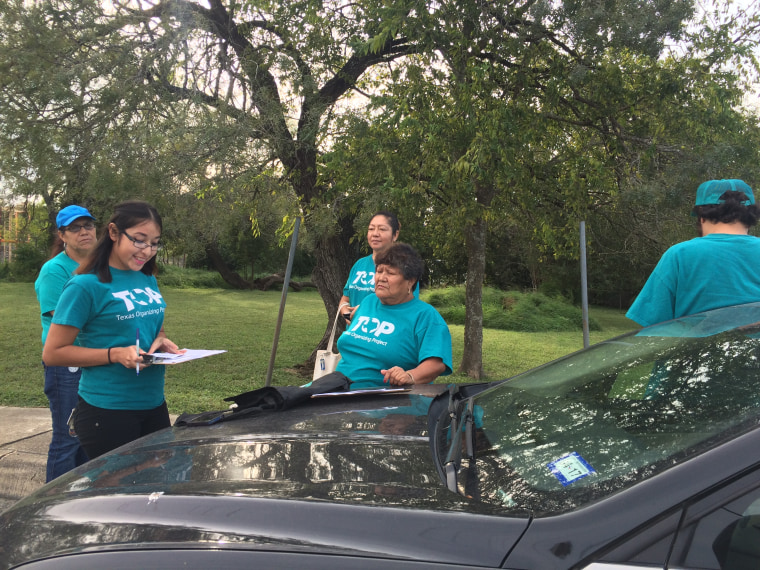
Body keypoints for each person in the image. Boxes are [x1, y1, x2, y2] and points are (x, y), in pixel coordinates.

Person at [42, 201, 183, 459]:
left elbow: (156, 329)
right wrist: (115, 354)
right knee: (119, 496)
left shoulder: (147, 277)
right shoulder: (84, 285)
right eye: (139, 240)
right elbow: (53, 353)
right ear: (114, 233)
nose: (148, 251)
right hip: (107, 411)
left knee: (152, 490)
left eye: (154, 242)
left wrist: (161, 342)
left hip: (153, 404)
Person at [627, 179, 760, 327]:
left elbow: (652, 327)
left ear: (701, 216)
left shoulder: (679, 255)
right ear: (751, 218)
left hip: (695, 350)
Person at [334, 242, 453, 390]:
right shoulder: (368, 302)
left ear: (410, 281)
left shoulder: (426, 316)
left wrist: (410, 375)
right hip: (336, 387)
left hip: (379, 399)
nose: (381, 278)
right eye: (379, 271)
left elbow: (437, 363)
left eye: (390, 273)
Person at [34, 205, 96, 481]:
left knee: (89, 437)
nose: (84, 232)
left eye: (88, 226)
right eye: (75, 228)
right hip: (66, 365)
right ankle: (50, 508)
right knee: (68, 438)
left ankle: (81, 501)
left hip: (93, 361)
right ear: (62, 235)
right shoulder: (54, 270)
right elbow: (63, 318)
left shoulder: (100, 265)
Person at [339, 211, 418, 322]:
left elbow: (408, 308)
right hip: (355, 335)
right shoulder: (359, 265)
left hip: (384, 335)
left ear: (395, 235)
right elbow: (345, 298)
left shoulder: (405, 267)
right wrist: (346, 312)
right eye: (371, 229)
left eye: (382, 229)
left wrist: (365, 311)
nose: (375, 234)